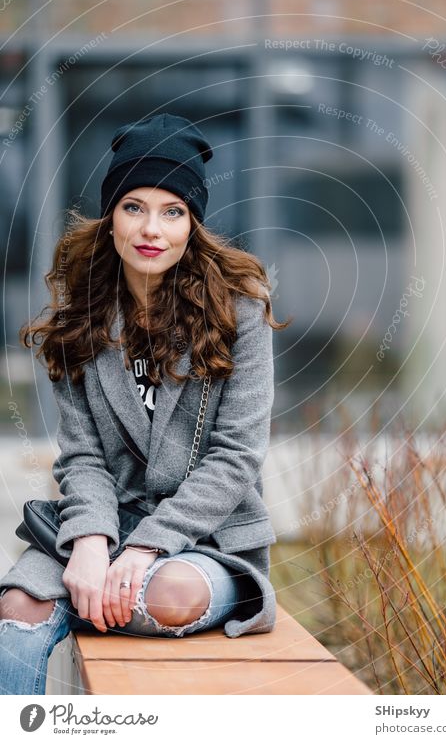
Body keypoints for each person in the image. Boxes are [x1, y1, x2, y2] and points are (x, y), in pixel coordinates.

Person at [0, 113, 290, 695]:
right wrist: (88, 545)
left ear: (192, 224)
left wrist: (145, 548)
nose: (151, 228)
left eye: (172, 211)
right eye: (134, 207)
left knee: (161, 597)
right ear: (110, 220)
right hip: (105, 525)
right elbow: (83, 458)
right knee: (17, 609)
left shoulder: (242, 313)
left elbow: (236, 457)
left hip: (205, 539)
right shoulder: (79, 323)